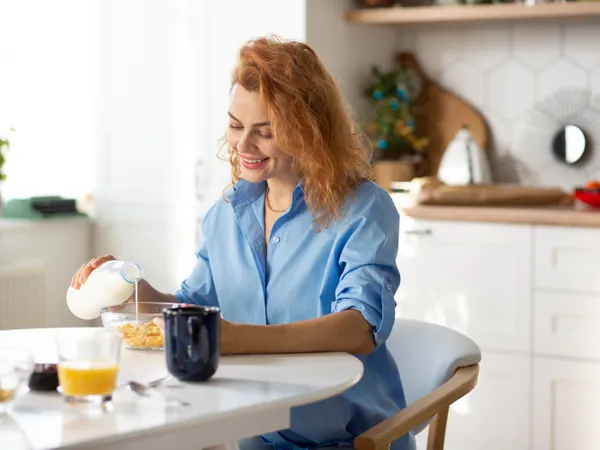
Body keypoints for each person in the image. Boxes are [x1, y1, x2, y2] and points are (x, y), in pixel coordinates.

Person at [72, 36, 414, 450]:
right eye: (236, 126)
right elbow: (193, 304)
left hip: (350, 441)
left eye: (264, 132)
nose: (244, 145)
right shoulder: (226, 215)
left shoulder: (363, 209)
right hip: (256, 436)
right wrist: (133, 293)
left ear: (308, 131)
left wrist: (237, 338)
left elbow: (361, 326)